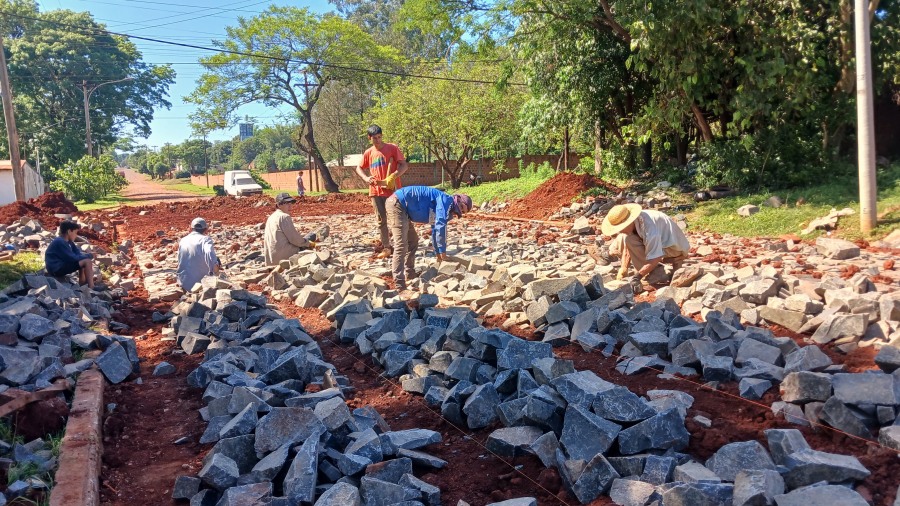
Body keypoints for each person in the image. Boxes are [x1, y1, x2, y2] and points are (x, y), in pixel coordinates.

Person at [386, 186, 472, 291]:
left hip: (405, 210)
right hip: (398, 204)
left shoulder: (445, 206)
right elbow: (441, 227)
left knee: (413, 241)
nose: (460, 212)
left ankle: (410, 274)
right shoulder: (446, 201)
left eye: (463, 212)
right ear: (457, 199)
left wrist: (438, 254)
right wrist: (443, 254)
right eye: (461, 207)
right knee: (401, 245)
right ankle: (399, 284)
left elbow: (435, 229)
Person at [600, 204, 691, 293]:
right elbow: (628, 247)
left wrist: (637, 277)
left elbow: (656, 257)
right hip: (660, 245)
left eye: (621, 228)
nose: (620, 231)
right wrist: (624, 268)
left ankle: (656, 273)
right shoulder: (636, 221)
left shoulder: (650, 230)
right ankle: (652, 270)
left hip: (674, 249)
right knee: (628, 238)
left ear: (628, 222)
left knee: (630, 240)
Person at [355, 124, 409, 259]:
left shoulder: (392, 148)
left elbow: (404, 165)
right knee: (381, 220)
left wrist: (394, 175)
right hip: (375, 190)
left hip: (392, 190)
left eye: (379, 137)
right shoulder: (368, 153)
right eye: (374, 138)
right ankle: (386, 247)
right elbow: (359, 168)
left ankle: (403, 245)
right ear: (369, 138)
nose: (378, 140)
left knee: (398, 218)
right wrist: (366, 178)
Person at [264, 192, 327, 265]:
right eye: (287, 203)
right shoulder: (284, 217)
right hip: (285, 257)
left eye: (291, 203)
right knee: (311, 236)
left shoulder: (271, 217)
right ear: (279, 205)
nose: (290, 206)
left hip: (271, 258)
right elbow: (295, 240)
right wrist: (308, 243)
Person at [45, 220, 103, 290]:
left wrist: (87, 255)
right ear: (69, 231)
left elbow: (77, 254)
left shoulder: (69, 242)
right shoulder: (60, 242)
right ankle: (91, 286)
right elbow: (72, 258)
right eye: (75, 233)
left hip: (60, 266)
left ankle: (83, 283)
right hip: (55, 269)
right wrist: (89, 255)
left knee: (82, 260)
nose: (76, 235)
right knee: (87, 261)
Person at [176, 217, 220, 290]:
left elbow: (180, 259)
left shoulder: (183, 240)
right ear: (206, 230)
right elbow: (209, 253)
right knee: (216, 261)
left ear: (191, 228)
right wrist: (214, 270)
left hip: (183, 282)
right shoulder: (205, 239)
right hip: (201, 284)